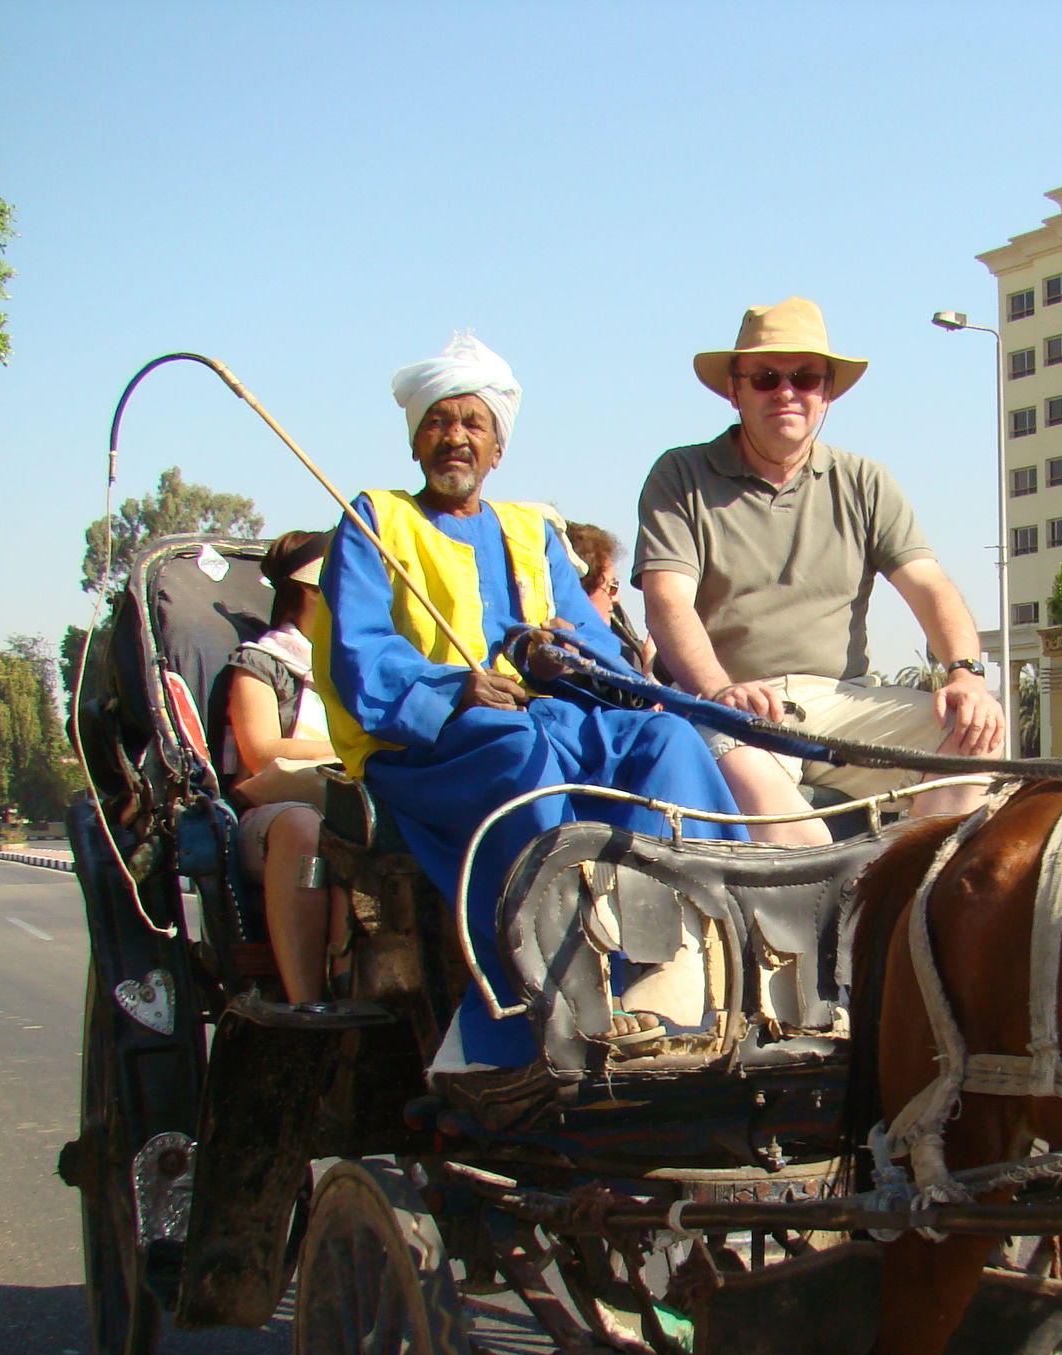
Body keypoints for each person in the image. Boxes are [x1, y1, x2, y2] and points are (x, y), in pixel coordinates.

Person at [307, 333, 744, 1095]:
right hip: (431, 745)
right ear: (415, 439)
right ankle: (559, 985)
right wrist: (454, 690)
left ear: (497, 447)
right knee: (513, 746)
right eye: (440, 423)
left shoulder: (531, 531)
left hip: (549, 722)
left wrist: (560, 660)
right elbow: (362, 656)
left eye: (473, 424)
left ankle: (690, 960)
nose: (456, 438)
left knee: (666, 735)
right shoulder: (375, 521)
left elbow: (594, 653)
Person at [635, 297, 1005, 839]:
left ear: (826, 392)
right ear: (734, 390)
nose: (787, 392)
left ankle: (902, 895)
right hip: (736, 706)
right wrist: (718, 692)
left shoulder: (864, 481)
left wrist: (966, 675)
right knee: (796, 836)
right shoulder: (680, 475)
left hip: (842, 700)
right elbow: (668, 602)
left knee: (978, 735)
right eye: (766, 377)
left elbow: (929, 585)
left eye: (805, 377)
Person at [223, 530, 338, 1006]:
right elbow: (261, 752)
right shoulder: (261, 662)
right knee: (302, 825)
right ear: (310, 590)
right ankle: (307, 1003)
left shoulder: (363, 668)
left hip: (354, 804)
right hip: (272, 818)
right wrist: (347, 750)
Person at [564, 521, 653, 675]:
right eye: (611, 587)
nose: (616, 598)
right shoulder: (564, 659)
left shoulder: (617, 624)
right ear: (580, 592)